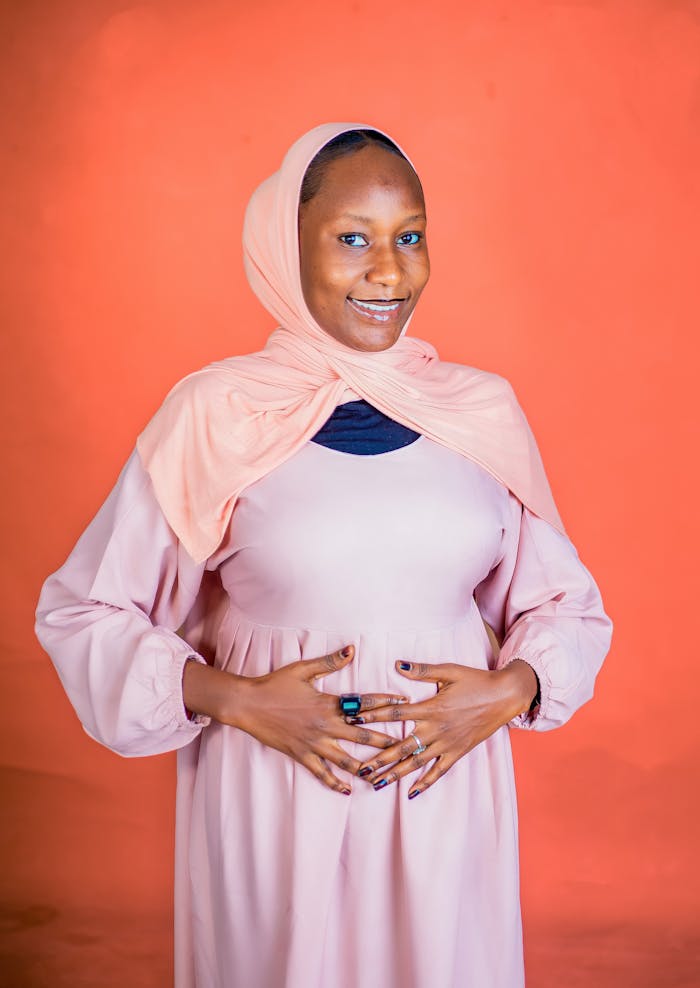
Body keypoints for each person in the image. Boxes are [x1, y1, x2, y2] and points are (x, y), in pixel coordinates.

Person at [36, 122, 613, 988]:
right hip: (277, 799)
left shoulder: (480, 412)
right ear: (284, 249)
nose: (389, 271)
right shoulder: (218, 414)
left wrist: (510, 690)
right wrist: (235, 700)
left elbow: (565, 606)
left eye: (409, 236)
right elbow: (84, 611)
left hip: (444, 803)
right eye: (352, 240)